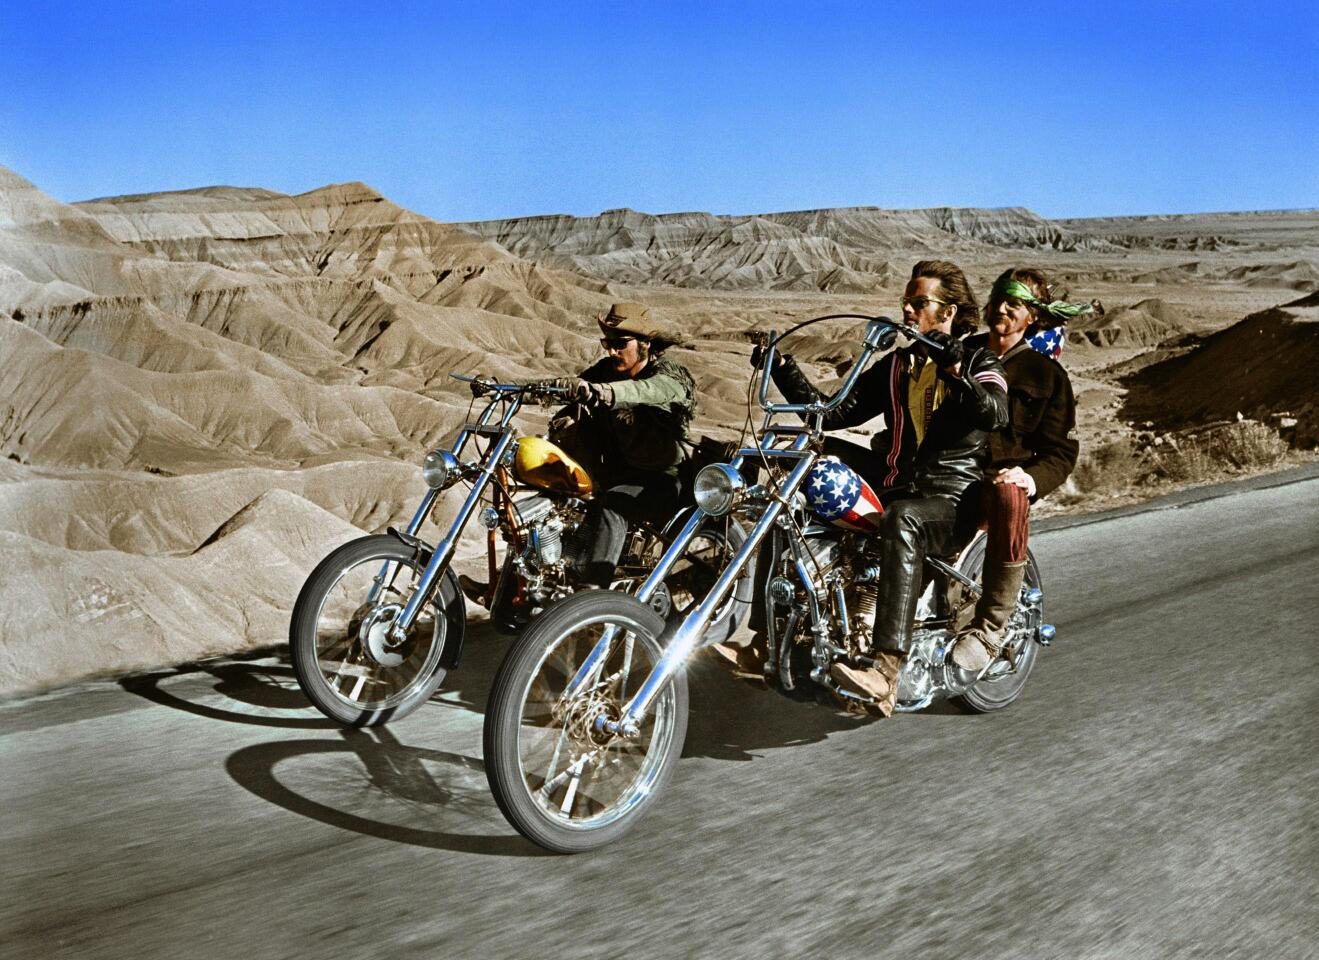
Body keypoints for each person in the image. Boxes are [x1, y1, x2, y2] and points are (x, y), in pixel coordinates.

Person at [765, 261, 1008, 713]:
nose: (908, 311)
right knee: (798, 460)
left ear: (949, 312)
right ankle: (768, 635)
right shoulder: (896, 366)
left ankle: (886, 672)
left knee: (903, 518)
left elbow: (995, 412)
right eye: (906, 303)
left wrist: (956, 371)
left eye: (920, 304)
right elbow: (833, 412)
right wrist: (781, 367)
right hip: (897, 486)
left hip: (950, 501)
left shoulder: (978, 360)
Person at [949, 269, 1084, 671]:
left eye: (1017, 304)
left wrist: (1029, 478)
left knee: (1010, 493)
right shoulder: (961, 355)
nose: (1003, 309)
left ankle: (992, 627)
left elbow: (1060, 451)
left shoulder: (1048, 376)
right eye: (1000, 299)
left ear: (1033, 318)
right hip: (948, 472)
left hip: (996, 485)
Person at [541, 302, 696, 587]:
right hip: (617, 471)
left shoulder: (671, 376)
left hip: (663, 479)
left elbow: (647, 391)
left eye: (620, 344)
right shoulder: (606, 370)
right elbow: (570, 388)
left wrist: (601, 392)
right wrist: (512, 389)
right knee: (550, 493)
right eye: (608, 343)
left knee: (613, 506)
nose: (612, 351)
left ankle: (592, 597)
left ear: (646, 343)